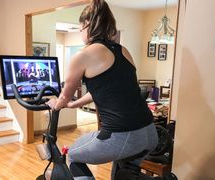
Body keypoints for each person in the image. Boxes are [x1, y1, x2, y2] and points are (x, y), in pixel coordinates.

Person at [46, 0, 158, 179]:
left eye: (80, 28)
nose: (80, 32)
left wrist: (56, 104)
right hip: (149, 133)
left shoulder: (83, 55)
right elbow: (107, 90)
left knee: (73, 154)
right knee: (123, 171)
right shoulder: (123, 51)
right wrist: (75, 105)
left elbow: (65, 96)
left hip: (122, 136)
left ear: (87, 25)